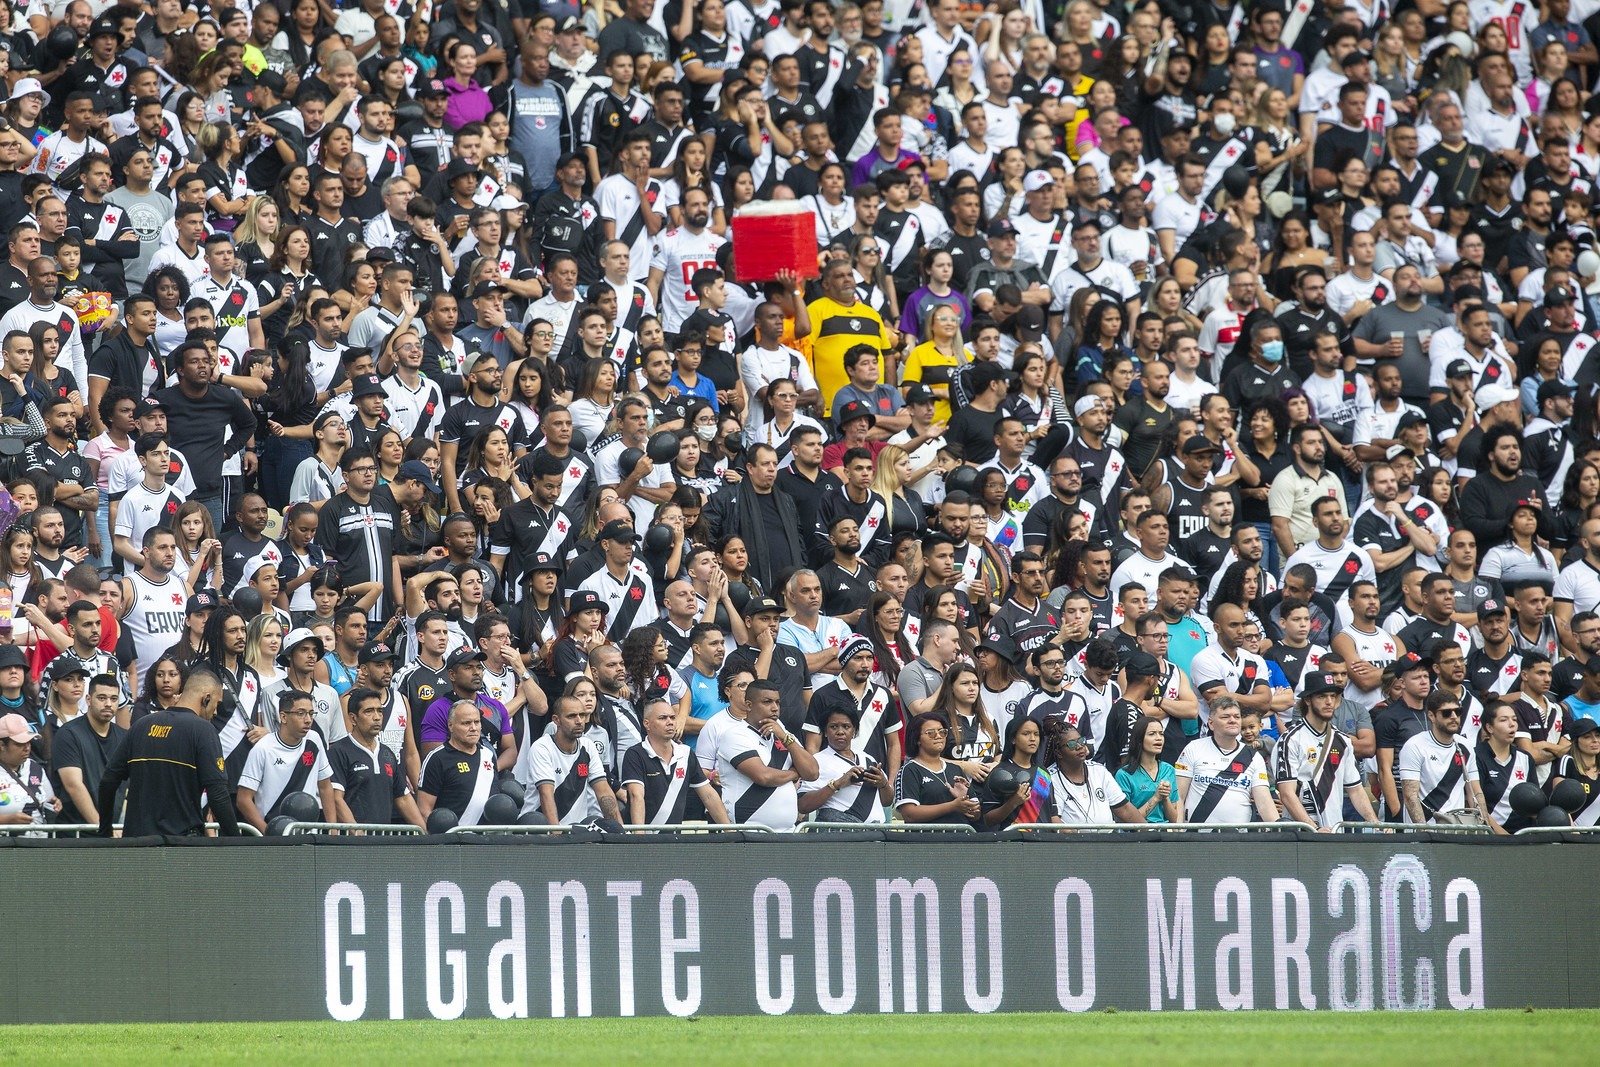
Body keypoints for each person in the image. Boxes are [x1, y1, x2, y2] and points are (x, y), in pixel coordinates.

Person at [96, 666, 242, 837]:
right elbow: (218, 794)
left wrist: (105, 829)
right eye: (216, 705)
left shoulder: (141, 725)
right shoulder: (204, 730)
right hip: (182, 846)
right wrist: (235, 842)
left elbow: (108, 781)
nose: (216, 712)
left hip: (137, 845)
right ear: (206, 699)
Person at [1274, 672, 1383, 830]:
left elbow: (1356, 790)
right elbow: (1287, 794)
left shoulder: (1342, 740)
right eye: (1322, 696)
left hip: (1334, 831)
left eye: (1333, 696)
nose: (1329, 702)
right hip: (1300, 834)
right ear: (1307, 700)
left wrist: (1375, 823)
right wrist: (1313, 829)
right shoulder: (1290, 739)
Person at [714, 679, 819, 829]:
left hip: (788, 831)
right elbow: (763, 776)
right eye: (767, 702)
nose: (775, 708)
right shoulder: (734, 735)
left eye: (777, 702)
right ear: (749, 705)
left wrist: (785, 738)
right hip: (748, 830)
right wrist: (794, 774)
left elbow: (812, 772)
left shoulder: (783, 734)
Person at [235, 688, 339, 832]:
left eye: (311, 713)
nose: (308, 720)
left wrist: (333, 830)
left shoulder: (314, 739)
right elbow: (243, 799)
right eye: (301, 713)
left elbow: (325, 786)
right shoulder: (263, 749)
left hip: (308, 833)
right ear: (283, 717)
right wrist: (268, 832)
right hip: (273, 832)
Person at [620, 699, 730, 826]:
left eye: (673, 717)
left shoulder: (686, 753)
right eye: (663, 718)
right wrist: (640, 838)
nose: (670, 722)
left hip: (673, 840)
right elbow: (636, 796)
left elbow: (709, 795)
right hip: (645, 839)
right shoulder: (635, 754)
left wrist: (730, 831)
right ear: (647, 723)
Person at [1174, 695, 1279, 824]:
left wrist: (1280, 828)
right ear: (1211, 724)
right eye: (1225, 717)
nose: (1232, 720)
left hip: (1238, 838)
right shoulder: (1193, 748)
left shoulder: (1254, 757)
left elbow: (1264, 803)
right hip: (1197, 836)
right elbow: (1178, 796)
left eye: (1236, 716)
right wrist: (1176, 832)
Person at [523, 696, 624, 827]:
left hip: (576, 830)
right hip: (539, 829)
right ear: (556, 720)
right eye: (571, 716)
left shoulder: (587, 745)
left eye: (582, 715)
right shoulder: (542, 747)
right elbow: (546, 794)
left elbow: (604, 791)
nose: (579, 721)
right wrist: (557, 834)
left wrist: (619, 831)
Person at [1397, 689, 1489, 825]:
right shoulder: (1414, 746)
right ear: (1431, 716)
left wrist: (1484, 826)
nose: (1454, 717)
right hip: (1425, 830)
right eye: (1446, 713)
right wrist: (1424, 832)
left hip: (1457, 826)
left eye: (1458, 712)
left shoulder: (1466, 746)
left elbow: (1475, 792)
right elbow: (1411, 796)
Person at [48, 674, 125, 823]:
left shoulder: (124, 737)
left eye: (114, 699)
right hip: (76, 834)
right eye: (102, 698)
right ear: (88, 699)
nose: (108, 704)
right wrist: (102, 827)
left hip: (115, 832)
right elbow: (73, 785)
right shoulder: (68, 734)